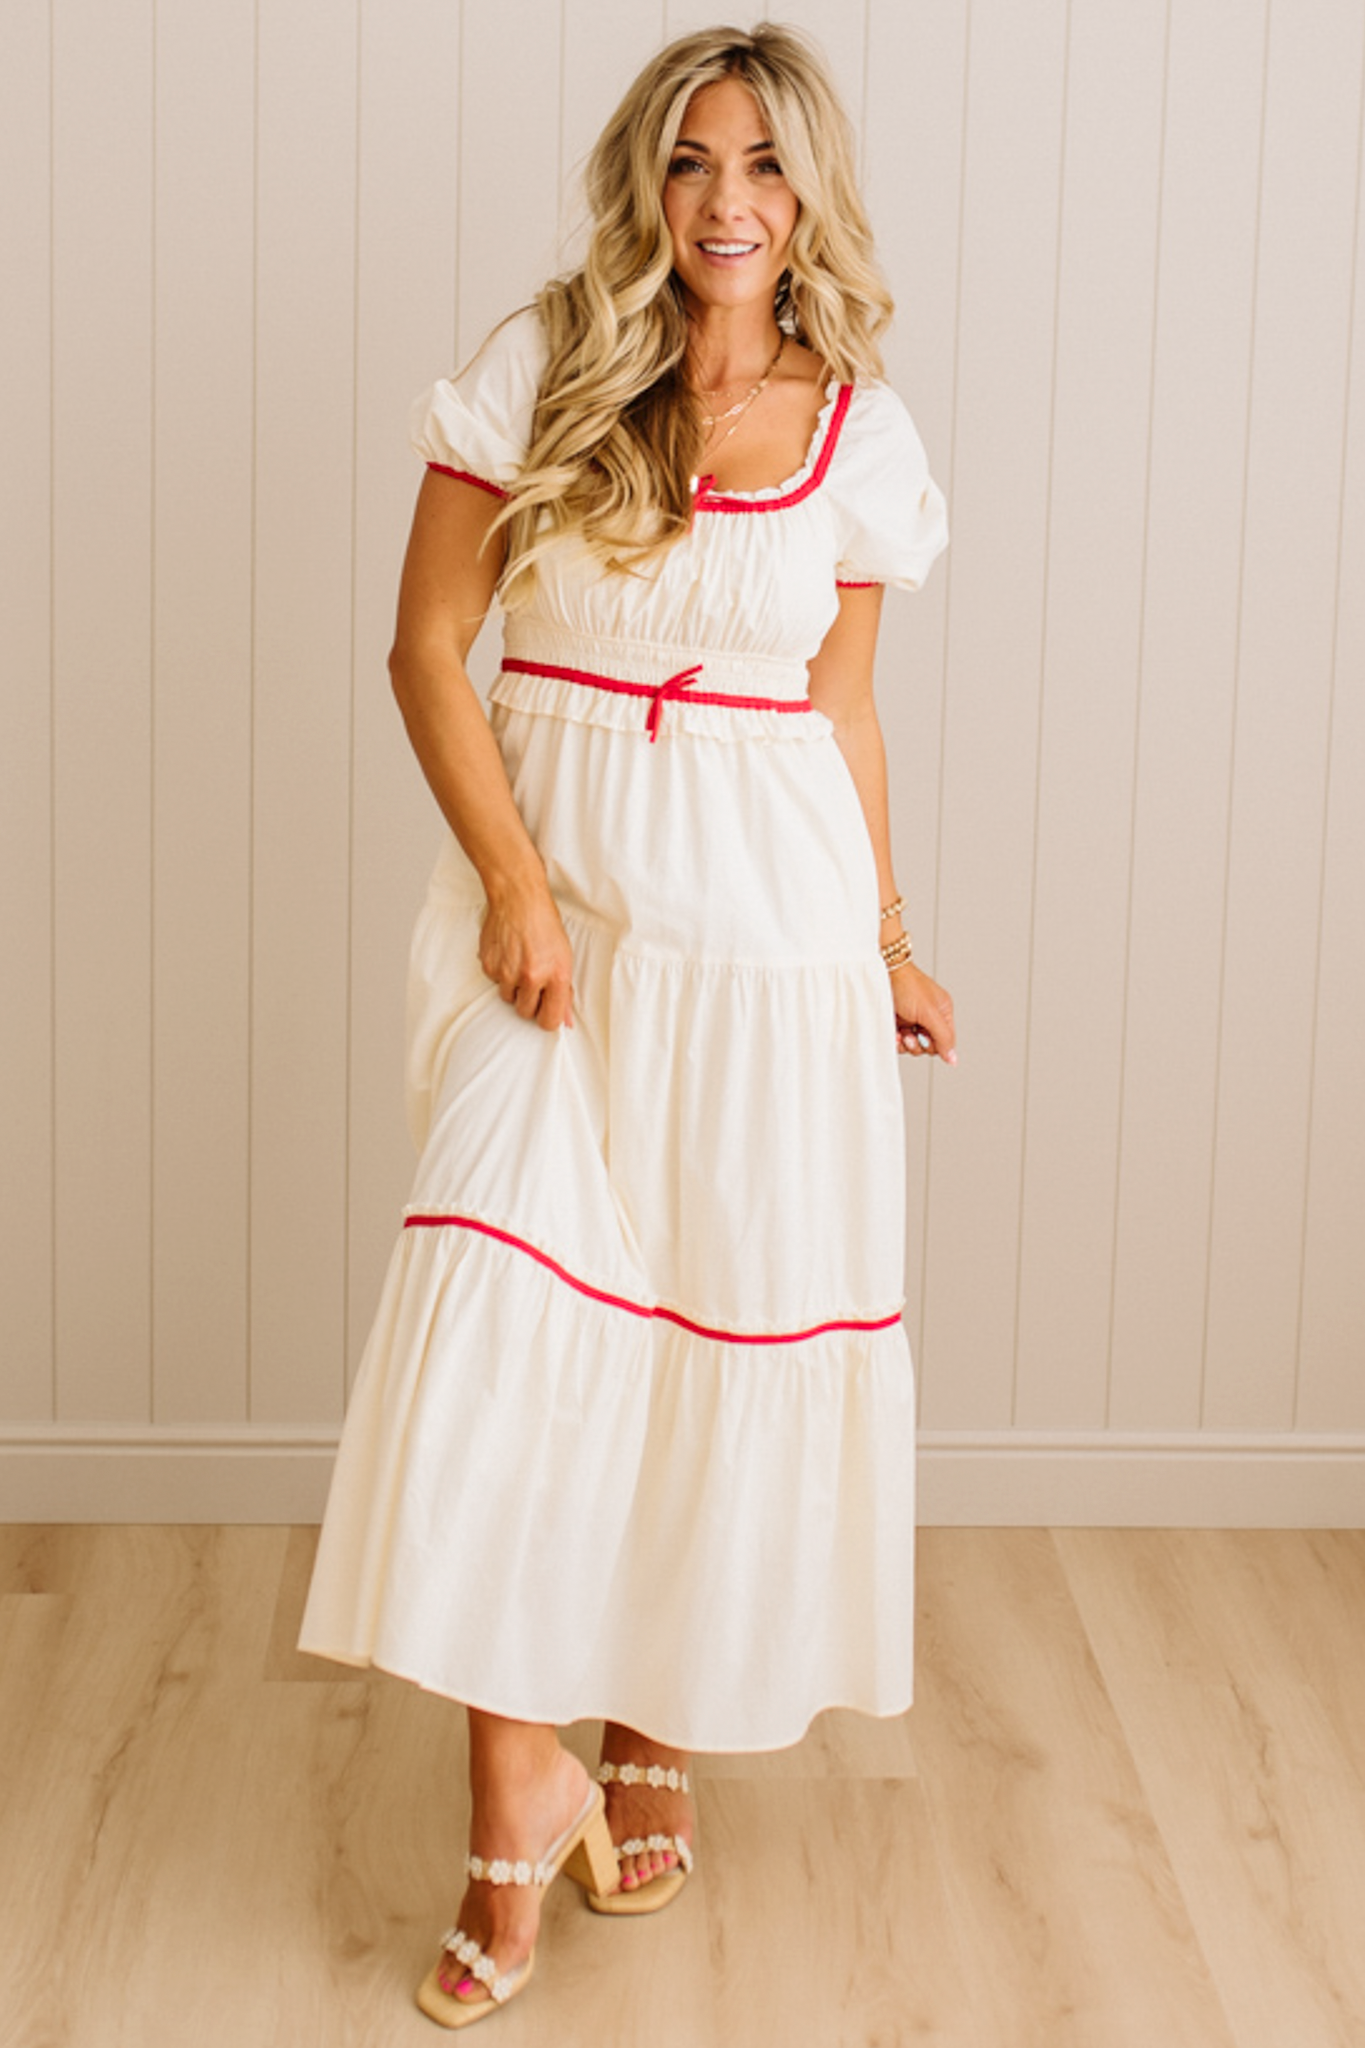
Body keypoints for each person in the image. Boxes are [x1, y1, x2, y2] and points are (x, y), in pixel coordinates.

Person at [298, 19, 954, 2030]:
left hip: (768, 940)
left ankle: (651, 1723)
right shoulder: (540, 366)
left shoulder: (861, 436)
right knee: (495, 1327)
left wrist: (890, 937)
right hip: (557, 924)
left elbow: (840, 710)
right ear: (642, 183)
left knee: (700, 1333)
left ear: (809, 195)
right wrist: (512, 882)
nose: (724, 202)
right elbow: (427, 647)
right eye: (689, 161)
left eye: (762, 165)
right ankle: (521, 1798)